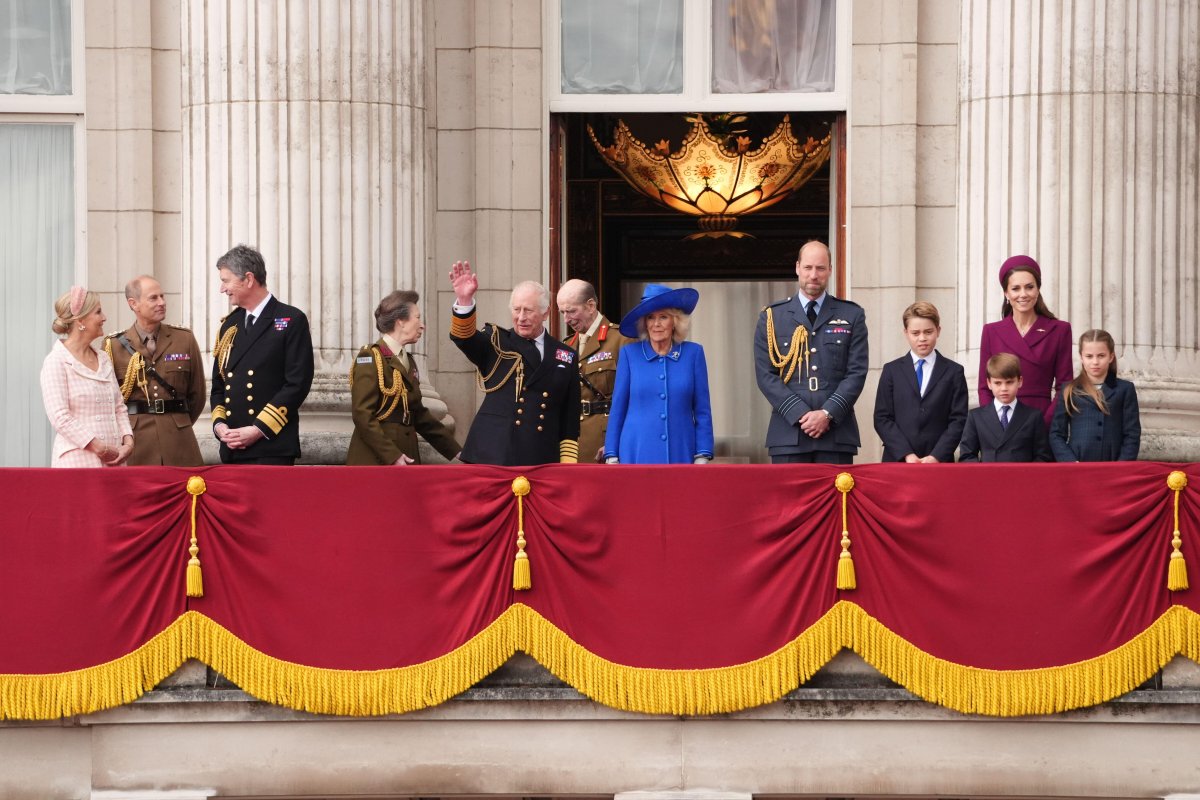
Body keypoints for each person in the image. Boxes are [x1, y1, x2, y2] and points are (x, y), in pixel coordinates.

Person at [448, 260, 581, 465]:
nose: (521, 317)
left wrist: (567, 462)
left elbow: (569, 416)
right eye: (516, 310)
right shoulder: (496, 341)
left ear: (545, 313)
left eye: (528, 310)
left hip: (541, 454)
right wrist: (464, 302)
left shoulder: (565, 354)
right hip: (493, 452)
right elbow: (464, 338)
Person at [754, 240, 868, 464]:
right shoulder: (772, 317)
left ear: (830, 270)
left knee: (836, 500)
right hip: (788, 434)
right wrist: (800, 414)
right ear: (797, 268)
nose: (814, 275)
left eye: (820, 268)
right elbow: (765, 375)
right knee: (789, 500)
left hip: (836, 433)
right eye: (808, 267)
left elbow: (856, 373)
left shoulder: (852, 314)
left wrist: (827, 414)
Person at [210, 245, 314, 465]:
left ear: (248, 279)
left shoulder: (290, 319)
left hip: (270, 445)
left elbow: (297, 383)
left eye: (226, 280)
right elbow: (219, 385)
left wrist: (258, 429)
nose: (222, 289)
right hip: (232, 446)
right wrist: (220, 427)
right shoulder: (229, 325)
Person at [346, 290, 461, 465]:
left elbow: (420, 416)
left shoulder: (409, 362)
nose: (422, 325)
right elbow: (362, 415)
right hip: (375, 460)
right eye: (417, 318)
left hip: (406, 455)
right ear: (401, 322)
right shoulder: (370, 356)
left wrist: (458, 451)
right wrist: (392, 455)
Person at [603, 284, 714, 465]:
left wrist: (702, 453)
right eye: (650, 318)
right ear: (644, 323)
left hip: (681, 450)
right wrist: (612, 452)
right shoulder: (629, 355)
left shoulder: (693, 354)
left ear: (675, 321)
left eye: (663, 317)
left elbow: (702, 410)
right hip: (636, 450)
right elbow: (618, 408)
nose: (656, 324)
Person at [103, 275, 206, 466]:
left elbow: (197, 395)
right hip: (137, 441)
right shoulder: (114, 346)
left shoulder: (184, 339)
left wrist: (177, 422)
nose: (162, 303)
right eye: (153, 298)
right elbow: (110, 400)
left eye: (162, 296)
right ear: (133, 304)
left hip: (179, 440)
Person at [40, 286, 134, 467]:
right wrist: (98, 447)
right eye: (98, 312)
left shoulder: (103, 358)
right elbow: (60, 417)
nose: (104, 317)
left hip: (114, 460)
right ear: (80, 320)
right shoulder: (56, 361)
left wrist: (128, 443)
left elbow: (119, 407)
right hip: (78, 461)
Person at [978, 254, 1073, 427]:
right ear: (1006, 293)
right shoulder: (991, 331)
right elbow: (985, 386)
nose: (1023, 294)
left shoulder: (1059, 330)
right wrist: (992, 422)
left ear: (1038, 289)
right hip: (1002, 423)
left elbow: (1064, 386)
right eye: (1015, 288)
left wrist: (1045, 423)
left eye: (1029, 287)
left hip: (1041, 419)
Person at [873, 301, 969, 463]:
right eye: (915, 333)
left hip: (939, 462)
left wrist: (937, 455)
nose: (922, 338)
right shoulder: (892, 370)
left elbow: (958, 420)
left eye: (928, 332)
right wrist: (906, 454)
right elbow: (882, 418)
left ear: (938, 331)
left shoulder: (954, 372)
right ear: (906, 333)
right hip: (898, 460)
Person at [557, 278, 635, 462]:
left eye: (571, 311)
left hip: (606, 441)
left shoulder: (622, 340)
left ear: (591, 306)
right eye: (562, 312)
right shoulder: (566, 345)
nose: (566, 319)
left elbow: (635, 398)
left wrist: (618, 442)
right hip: (573, 444)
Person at [1049, 329, 1141, 462]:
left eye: (1101, 356)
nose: (1095, 362)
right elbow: (1056, 434)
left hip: (1113, 466)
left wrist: (1122, 466)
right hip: (1078, 466)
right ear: (1081, 357)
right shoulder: (1069, 389)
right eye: (1089, 356)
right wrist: (1070, 462)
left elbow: (1132, 433)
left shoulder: (1125, 389)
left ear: (1111, 356)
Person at [959, 353, 1052, 462]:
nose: (1004, 388)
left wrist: (1027, 477)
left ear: (1020, 381)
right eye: (998, 383)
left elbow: (1043, 457)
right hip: (988, 477)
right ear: (989, 383)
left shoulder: (1033, 417)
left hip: (1022, 477)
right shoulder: (976, 417)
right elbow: (967, 456)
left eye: (1009, 382)